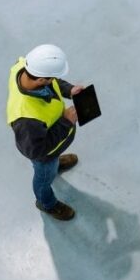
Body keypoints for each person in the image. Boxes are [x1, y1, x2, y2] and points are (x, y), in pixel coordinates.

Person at [6, 44, 85, 221]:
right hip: (44, 155)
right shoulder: (26, 119)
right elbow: (37, 151)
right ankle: (46, 203)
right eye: (51, 78)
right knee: (43, 178)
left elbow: (54, 83)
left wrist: (69, 90)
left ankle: (55, 163)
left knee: (52, 162)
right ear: (42, 80)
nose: (54, 80)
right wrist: (66, 122)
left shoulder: (24, 67)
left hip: (49, 145)